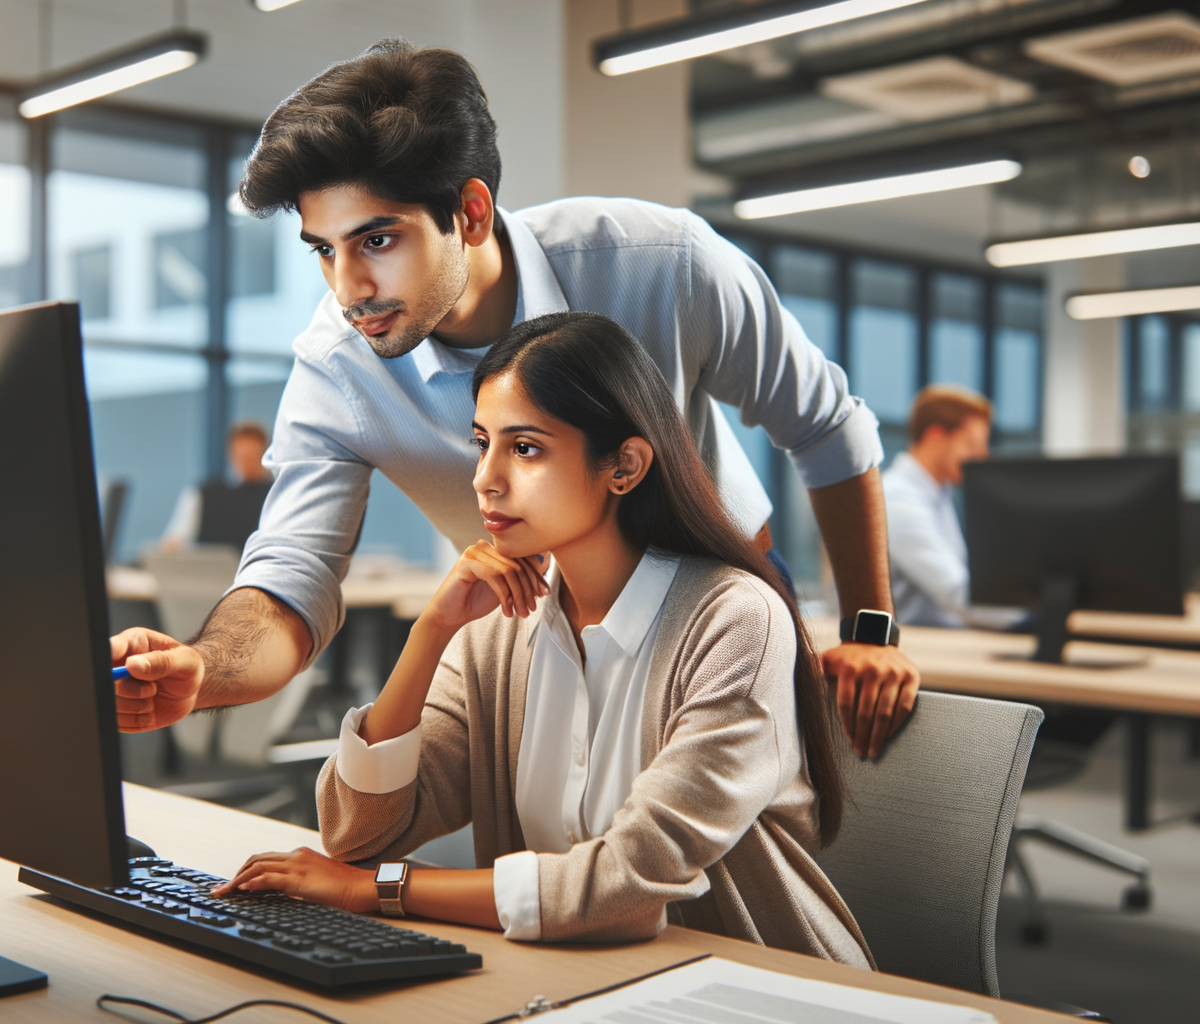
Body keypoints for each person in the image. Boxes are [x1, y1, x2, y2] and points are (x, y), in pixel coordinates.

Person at [112, 40, 916, 760]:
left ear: (469, 212)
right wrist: (202, 670)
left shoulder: (660, 264)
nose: (349, 289)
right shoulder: (338, 366)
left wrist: (869, 631)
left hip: (725, 593)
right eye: (325, 251)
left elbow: (825, 427)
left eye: (377, 240)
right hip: (551, 622)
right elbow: (294, 573)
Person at [209, 311, 870, 966]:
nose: (484, 478)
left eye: (524, 448)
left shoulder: (734, 620)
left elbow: (623, 885)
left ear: (626, 465)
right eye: (481, 442)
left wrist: (381, 892)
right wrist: (432, 633)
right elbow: (358, 833)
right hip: (577, 983)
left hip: (758, 990)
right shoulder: (495, 631)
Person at [881, 385, 1019, 629]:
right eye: (971, 445)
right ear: (935, 437)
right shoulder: (897, 499)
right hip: (916, 647)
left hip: (942, 638)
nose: (981, 456)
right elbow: (957, 592)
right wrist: (1034, 616)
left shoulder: (938, 495)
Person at [159, 421, 276, 554]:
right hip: (209, 571)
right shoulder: (202, 494)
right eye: (241, 456)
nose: (246, 463)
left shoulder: (276, 496)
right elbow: (174, 540)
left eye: (252, 456)